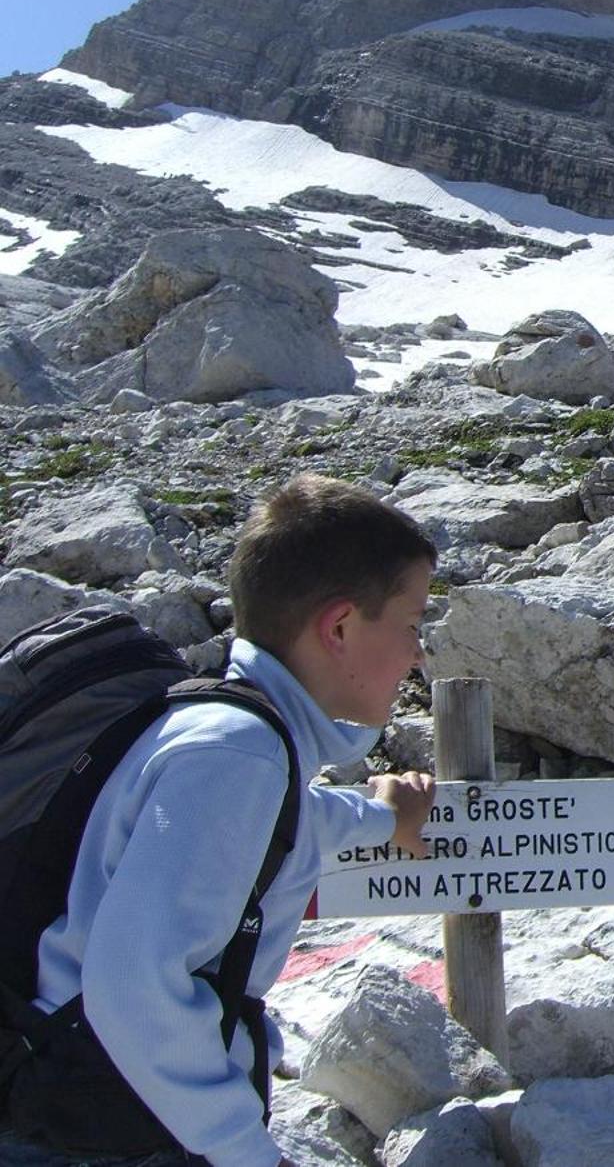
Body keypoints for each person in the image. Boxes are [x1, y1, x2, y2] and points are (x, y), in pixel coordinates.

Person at [1, 476, 439, 1167]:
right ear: (341, 627)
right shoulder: (238, 755)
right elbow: (136, 982)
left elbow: (289, 823)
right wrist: (245, 1152)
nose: (418, 653)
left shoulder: (234, 731)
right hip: (105, 1122)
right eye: (412, 625)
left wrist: (385, 820)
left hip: (97, 1093)